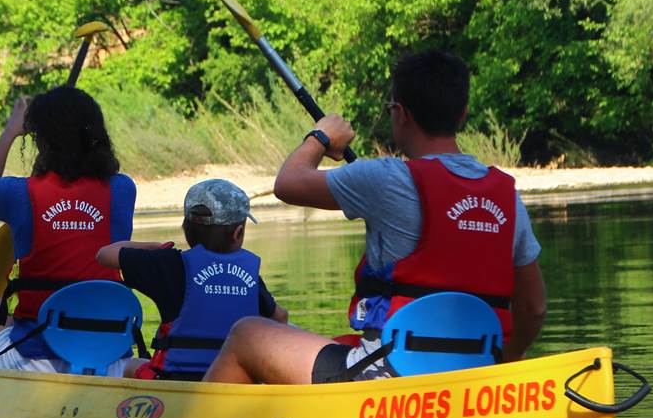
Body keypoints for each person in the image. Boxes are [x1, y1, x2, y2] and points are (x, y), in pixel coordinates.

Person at [204, 49, 546, 385]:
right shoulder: (507, 196)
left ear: (400, 114)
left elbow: (288, 183)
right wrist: (501, 366)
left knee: (246, 333)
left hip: (388, 377)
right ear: (463, 113)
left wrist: (321, 137)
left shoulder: (387, 178)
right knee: (337, 343)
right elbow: (533, 309)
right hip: (475, 375)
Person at [0, 86, 136, 374]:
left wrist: (11, 132)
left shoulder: (18, 194)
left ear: (41, 139)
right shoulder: (122, 189)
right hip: (109, 356)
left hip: (37, 361)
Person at [97, 179, 289, 381]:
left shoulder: (168, 264)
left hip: (175, 380)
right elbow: (280, 318)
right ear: (238, 232)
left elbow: (105, 255)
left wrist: (154, 248)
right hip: (234, 382)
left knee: (130, 365)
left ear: (185, 228)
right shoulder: (249, 275)